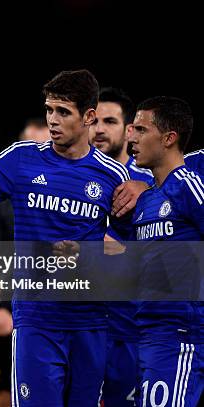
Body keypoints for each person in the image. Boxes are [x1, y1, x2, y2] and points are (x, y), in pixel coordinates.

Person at [0, 70, 131, 406]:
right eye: (49, 110)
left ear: (88, 117)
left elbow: (127, 250)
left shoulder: (113, 176)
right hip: (36, 321)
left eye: (63, 112)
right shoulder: (21, 159)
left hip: (92, 323)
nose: (53, 120)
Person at [127, 96, 203, 406]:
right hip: (151, 333)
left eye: (142, 130)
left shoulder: (188, 185)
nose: (133, 137)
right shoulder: (145, 201)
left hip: (184, 333)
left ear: (169, 138)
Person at [0, 118, 49, 407]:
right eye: (31, 144)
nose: (38, 150)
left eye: (45, 145)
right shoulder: (0, 196)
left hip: (57, 309)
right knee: (4, 390)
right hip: (10, 311)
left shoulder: (67, 192)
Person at [89, 87, 153, 406]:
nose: (99, 129)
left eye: (109, 121)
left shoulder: (153, 183)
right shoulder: (66, 178)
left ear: (128, 130)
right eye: (94, 120)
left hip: (132, 334)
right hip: (79, 328)